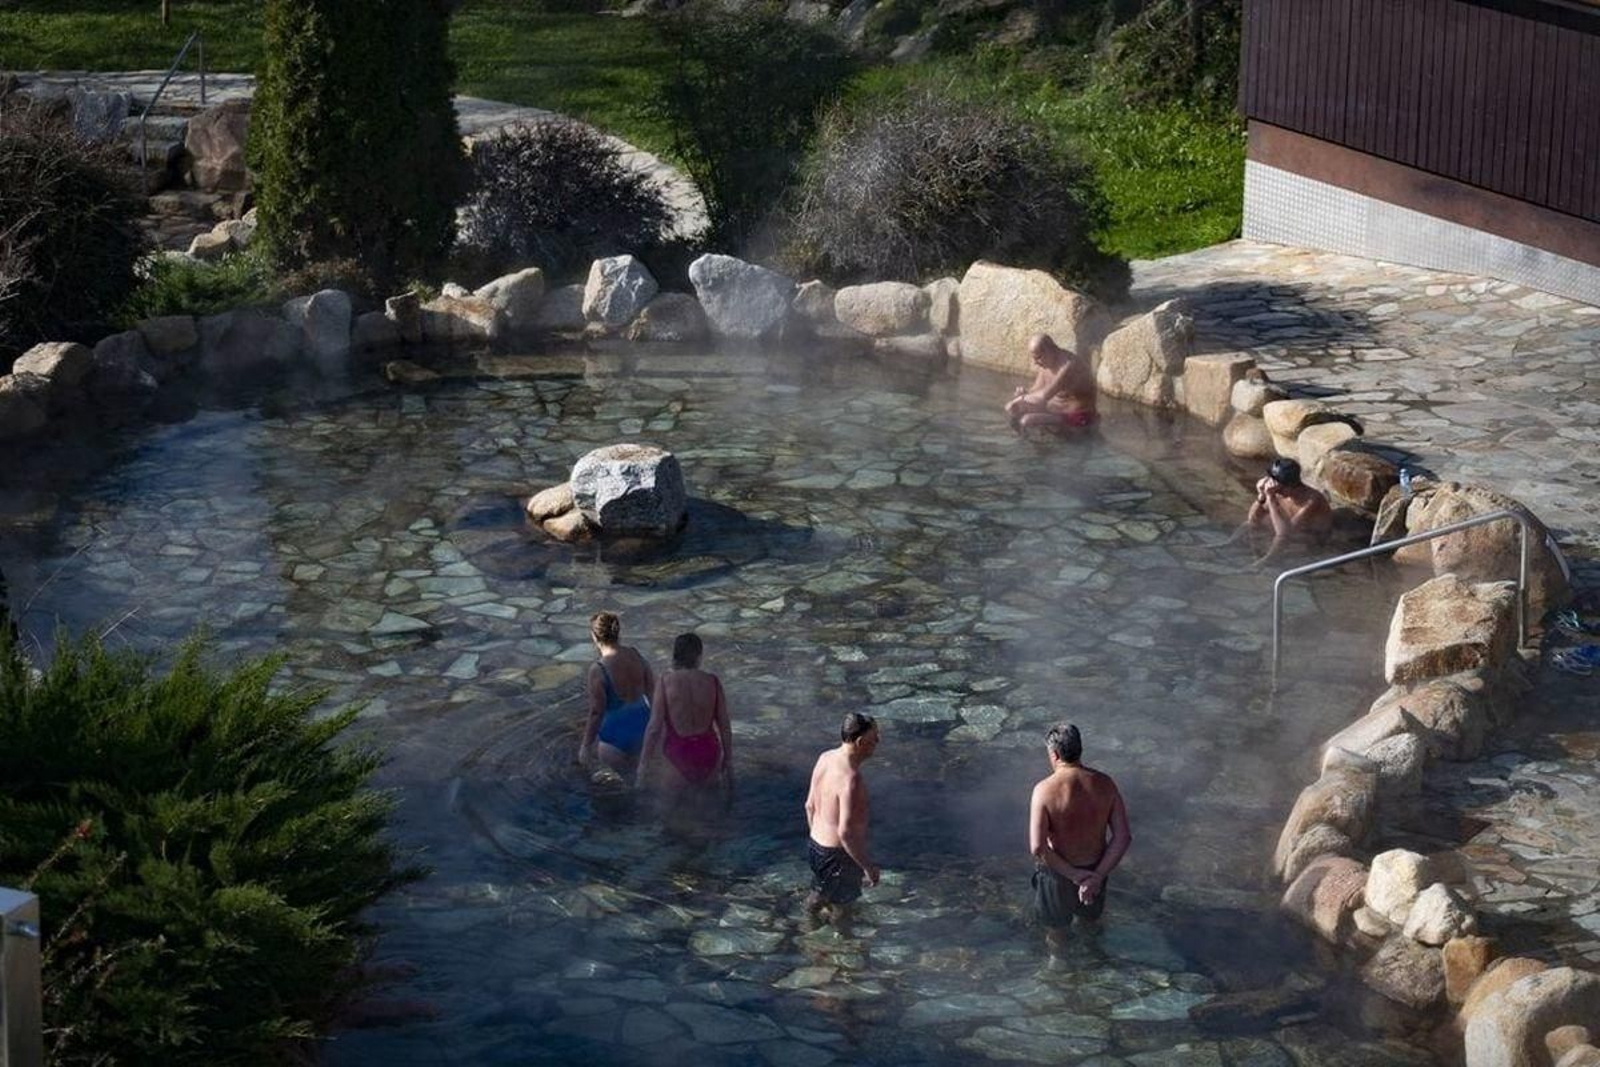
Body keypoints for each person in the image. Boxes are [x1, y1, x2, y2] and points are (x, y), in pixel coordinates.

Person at [1028, 723, 1131, 952]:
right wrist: (1096, 877)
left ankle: (1060, 970)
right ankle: (1094, 966)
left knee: (1057, 932)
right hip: (1095, 870)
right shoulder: (1106, 784)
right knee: (1089, 926)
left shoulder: (1044, 791)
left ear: (1054, 754)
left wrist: (1074, 875)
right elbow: (1122, 837)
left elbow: (1037, 848)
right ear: (1080, 749)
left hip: (1058, 875)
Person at [803, 712, 881, 922]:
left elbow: (809, 806)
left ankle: (807, 930)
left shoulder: (825, 758)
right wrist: (867, 867)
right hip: (838, 856)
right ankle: (842, 948)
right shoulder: (851, 779)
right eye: (875, 737)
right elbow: (845, 833)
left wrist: (817, 840)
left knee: (819, 892)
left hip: (815, 847)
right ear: (860, 741)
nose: (878, 742)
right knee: (843, 909)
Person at [636, 632, 732, 796]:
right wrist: (728, 760)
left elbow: (654, 727)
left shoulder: (665, 681)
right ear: (699, 656)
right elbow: (724, 725)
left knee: (672, 815)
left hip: (678, 752)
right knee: (712, 813)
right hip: (709, 751)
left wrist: (643, 765)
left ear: (675, 655)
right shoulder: (712, 681)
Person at [577, 611, 654, 772]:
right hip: (644, 730)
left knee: (614, 789)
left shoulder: (598, 669)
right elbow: (653, 695)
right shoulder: (636, 655)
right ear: (617, 632)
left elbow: (596, 712)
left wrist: (585, 746)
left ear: (594, 636)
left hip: (614, 739)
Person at [1231, 457, 1332, 564]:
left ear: (1291, 486)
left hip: (1310, 540)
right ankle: (1230, 545)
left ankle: (1264, 563)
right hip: (1288, 532)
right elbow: (1253, 519)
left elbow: (1285, 534)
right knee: (1249, 525)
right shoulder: (1281, 493)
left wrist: (1270, 498)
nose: (1274, 489)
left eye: (1278, 487)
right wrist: (1261, 496)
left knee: (1281, 539)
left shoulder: (1312, 500)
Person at [1004, 334, 1097, 434]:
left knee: (1027, 420)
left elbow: (1044, 396)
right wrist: (1024, 392)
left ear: (1049, 351)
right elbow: (1036, 389)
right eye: (1034, 358)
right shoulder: (1046, 364)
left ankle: (1039, 448)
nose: (1036, 362)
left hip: (1078, 416)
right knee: (1015, 411)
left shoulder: (1068, 365)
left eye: (1038, 357)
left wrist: (1021, 399)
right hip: (1055, 411)